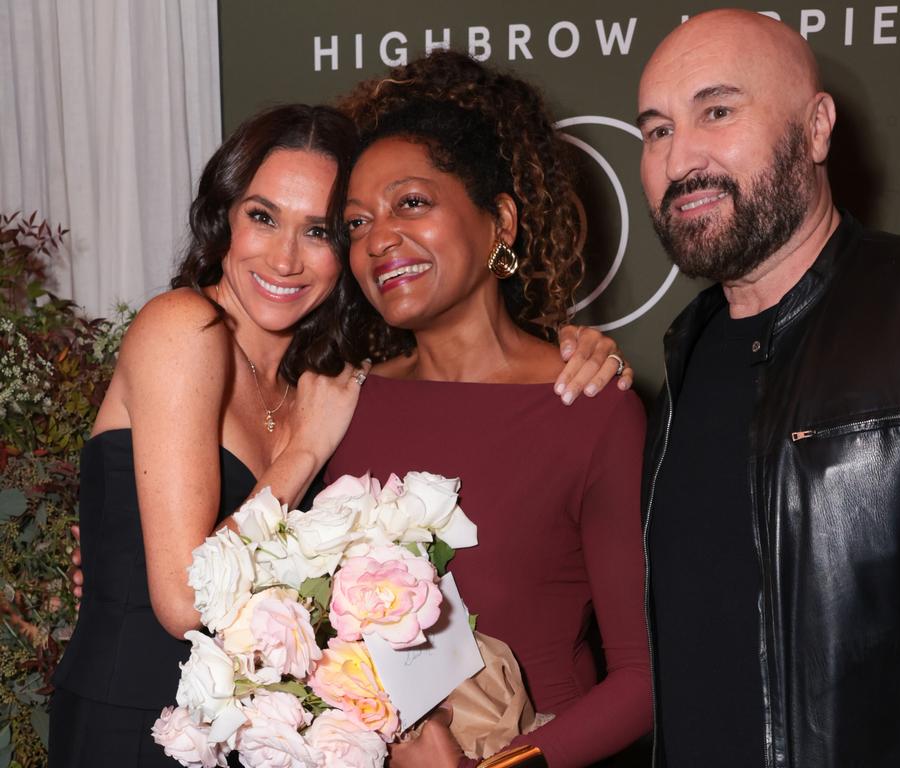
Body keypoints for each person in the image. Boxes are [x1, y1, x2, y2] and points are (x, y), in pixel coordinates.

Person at [52, 102, 630, 767]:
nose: (285, 258)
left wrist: (575, 348)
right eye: (262, 217)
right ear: (225, 218)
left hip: (261, 741)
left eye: (322, 231)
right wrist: (303, 452)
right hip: (137, 726)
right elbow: (184, 602)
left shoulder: (319, 382)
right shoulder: (185, 327)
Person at [637, 9, 900, 768]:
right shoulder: (687, 348)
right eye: (655, 130)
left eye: (716, 111)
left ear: (816, 129)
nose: (681, 158)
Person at [325, 50, 653, 768]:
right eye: (355, 223)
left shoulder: (589, 409)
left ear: (499, 221)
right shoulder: (341, 404)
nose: (379, 239)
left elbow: (642, 679)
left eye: (412, 203)